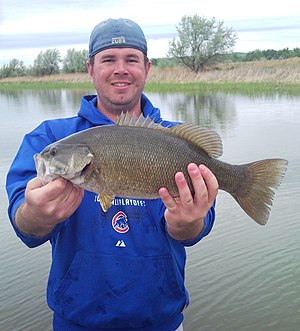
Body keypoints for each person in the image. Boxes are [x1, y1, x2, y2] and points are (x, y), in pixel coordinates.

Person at [6, 18, 218, 331]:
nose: (120, 69)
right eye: (108, 59)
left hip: (162, 320)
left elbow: (194, 231)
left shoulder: (175, 141)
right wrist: (36, 215)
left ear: (147, 68)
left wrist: (187, 222)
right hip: (76, 322)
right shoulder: (49, 137)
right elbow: (23, 225)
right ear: (91, 68)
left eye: (131, 59)